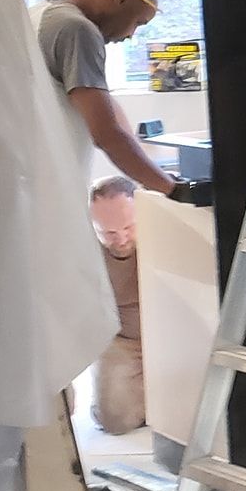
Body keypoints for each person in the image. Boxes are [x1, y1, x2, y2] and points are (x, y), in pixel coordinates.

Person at [34, 0, 181, 195]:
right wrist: (171, 188)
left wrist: (149, 169)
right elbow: (107, 134)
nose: (131, 35)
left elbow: (105, 105)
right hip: (48, 187)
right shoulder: (77, 29)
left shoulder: (40, 14)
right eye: (137, 23)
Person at [89, 176, 145, 436]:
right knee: (114, 420)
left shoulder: (163, 228)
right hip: (121, 339)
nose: (121, 238)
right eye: (109, 233)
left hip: (169, 334)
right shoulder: (84, 247)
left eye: (129, 227)